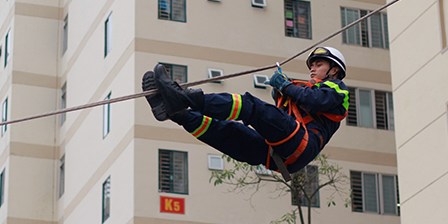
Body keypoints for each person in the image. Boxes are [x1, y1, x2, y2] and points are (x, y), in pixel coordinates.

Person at [142, 47, 349, 174]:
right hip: (283, 155)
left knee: (250, 107)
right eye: (312, 65)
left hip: (301, 143)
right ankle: (178, 114)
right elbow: (291, 112)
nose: (312, 68)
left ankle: (185, 99)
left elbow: (315, 101)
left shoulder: (338, 89)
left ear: (334, 70)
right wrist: (281, 92)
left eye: (318, 64)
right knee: (229, 133)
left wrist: (286, 86)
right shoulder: (306, 90)